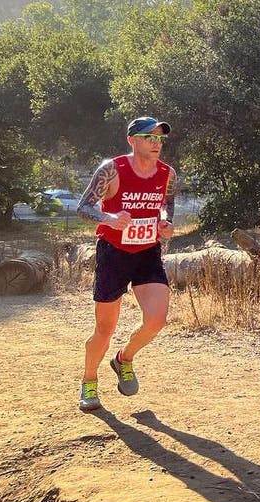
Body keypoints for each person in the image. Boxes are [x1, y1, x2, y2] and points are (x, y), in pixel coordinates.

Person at [75, 117, 176, 412]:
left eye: (160, 139)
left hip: (147, 252)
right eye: (150, 137)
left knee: (156, 320)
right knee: (105, 328)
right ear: (132, 140)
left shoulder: (167, 173)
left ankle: (124, 358)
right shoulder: (112, 169)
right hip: (114, 253)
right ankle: (89, 381)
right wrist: (110, 219)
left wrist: (165, 222)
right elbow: (83, 207)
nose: (156, 143)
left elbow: (166, 203)